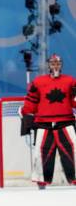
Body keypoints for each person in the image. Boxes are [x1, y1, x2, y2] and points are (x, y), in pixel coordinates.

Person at [21, 54, 76, 189]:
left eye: (58, 63)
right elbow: (31, 101)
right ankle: (41, 180)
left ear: (61, 65)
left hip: (66, 121)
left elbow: (74, 100)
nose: (55, 65)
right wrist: (26, 112)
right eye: (53, 63)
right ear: (49, 65)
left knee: (73, 149)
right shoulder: (38, 82)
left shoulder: (71, 81)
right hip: (43, 123)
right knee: (41, 151)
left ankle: (74, 178)